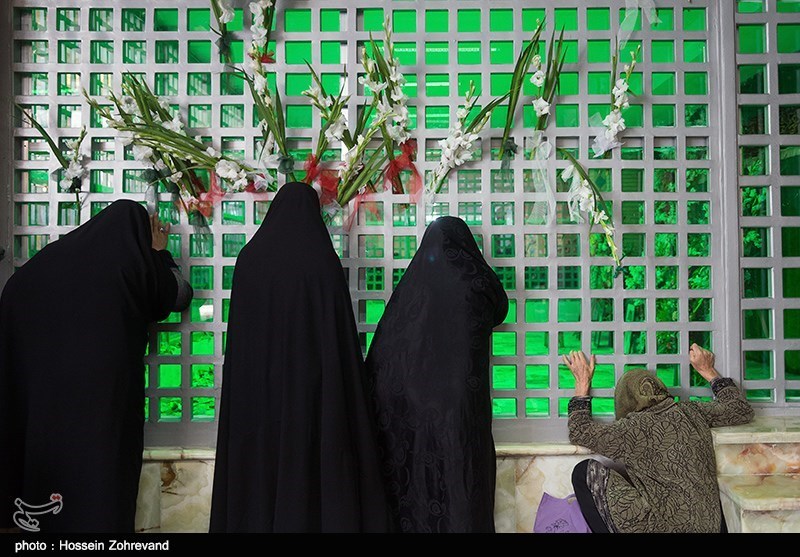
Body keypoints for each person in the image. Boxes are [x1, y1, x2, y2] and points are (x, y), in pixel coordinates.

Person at [0, 200, 192, 533]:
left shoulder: (38, 266)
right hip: (100, 405)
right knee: (99, 482)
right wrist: (159, 253)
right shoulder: (128, 264)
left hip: (39, 405)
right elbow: (178, 295)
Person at [209, 182, 390, 533]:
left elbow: (243, 337)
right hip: (312, 393)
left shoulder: (249, 260)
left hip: (257, 394)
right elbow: (337, 337)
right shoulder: (321, 261)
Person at [365, 216, 509, 533]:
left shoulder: (411, 290)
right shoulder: (475, 283)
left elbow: (382, 357)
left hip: (407, 410)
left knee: (413, 492)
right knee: (460, 487)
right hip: (457, 412)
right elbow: (500, 308)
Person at [563, 343, 754, 533]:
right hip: (712, 527)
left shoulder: (631, 428)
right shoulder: (691, 411)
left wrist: (582, 384)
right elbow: (740, 409)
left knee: (583, 472)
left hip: (667, 529)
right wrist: (708, 370)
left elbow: (580, 431)